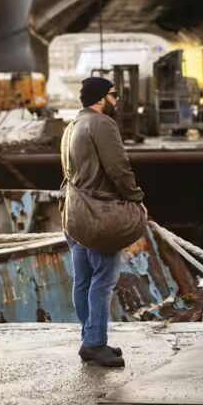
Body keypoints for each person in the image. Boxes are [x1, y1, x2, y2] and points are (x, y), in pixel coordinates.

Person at [63, 76, 145, 368]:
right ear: (100, 98)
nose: (117, 99)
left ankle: (90, 339)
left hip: (74, 214)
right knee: (104, 279)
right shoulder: (102, 124)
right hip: (98, 214)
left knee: (83, 278)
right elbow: (118, 168)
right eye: (113, 94)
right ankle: (95, 343)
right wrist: (136, 197)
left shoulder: (73, 124)